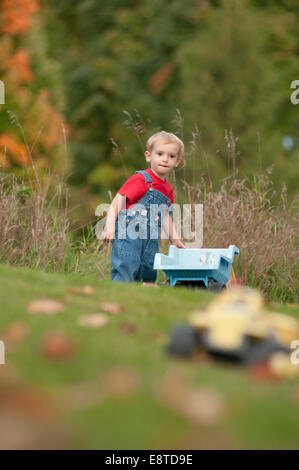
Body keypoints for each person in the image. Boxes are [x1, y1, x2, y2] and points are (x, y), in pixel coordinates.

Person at [101, 130, 185, 282]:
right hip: (129, 234)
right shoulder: (141, 179)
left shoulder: (168, 189)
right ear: (148, 156)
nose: (165, 159)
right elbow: (118, 200)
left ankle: (141, 299)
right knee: (127, 265)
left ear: (177, 161)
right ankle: (119, 295)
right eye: (160, 154)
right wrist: (110, 226)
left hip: (151, 238)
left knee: (148, 270)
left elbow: (165, 215)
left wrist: (174, 238)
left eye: (171, 156)